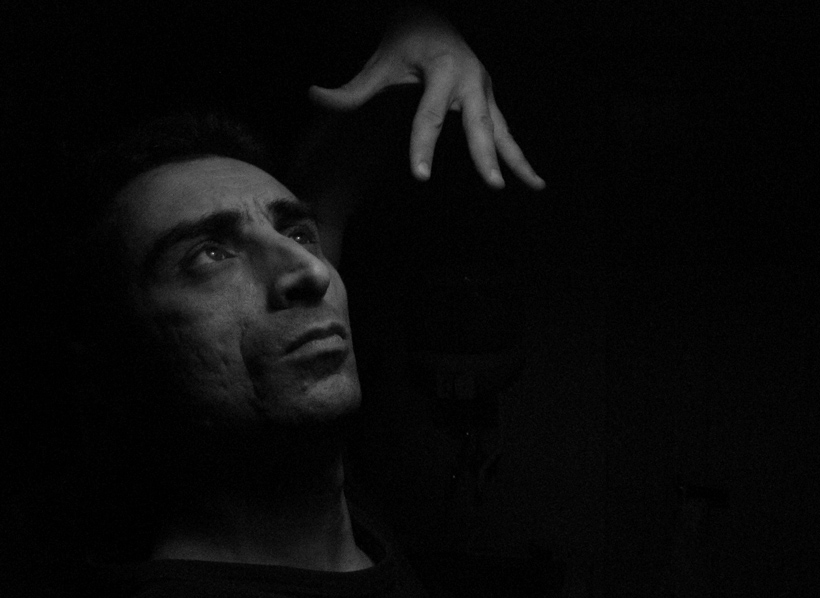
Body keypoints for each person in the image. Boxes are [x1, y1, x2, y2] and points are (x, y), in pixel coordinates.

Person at [5, 7, 544, 598]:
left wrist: (420, 27)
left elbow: (334, 178)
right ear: (114, 353)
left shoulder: (323, 508)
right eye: (210, 255)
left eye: (297, 235)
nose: (310, 273)